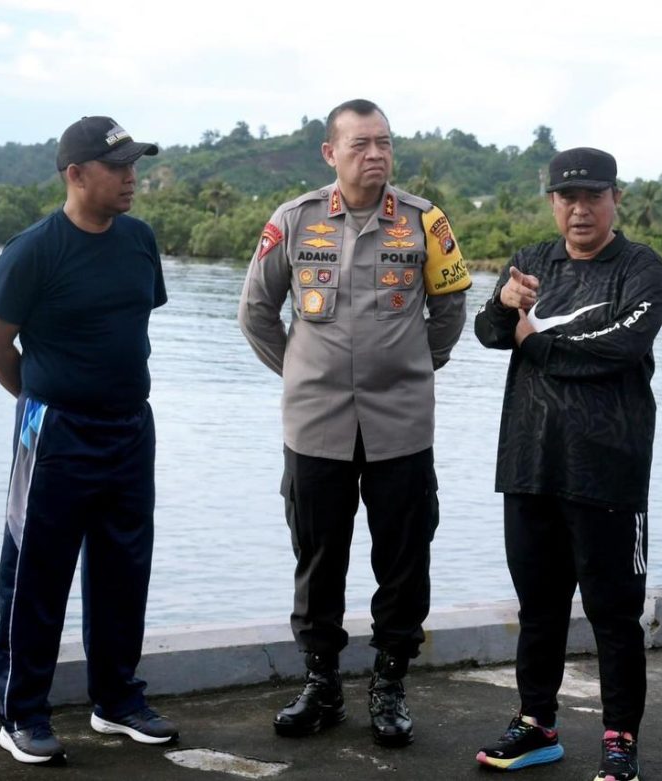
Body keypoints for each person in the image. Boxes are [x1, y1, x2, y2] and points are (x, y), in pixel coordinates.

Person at [237, 98, 470, 747]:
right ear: (330, 153)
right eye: (362, 143)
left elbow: (450, 303)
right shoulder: (295, 220)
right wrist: (301, 374)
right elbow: (257, 311)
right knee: (317, 554)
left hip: (402, 422)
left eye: (385, 143)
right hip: (315, 425)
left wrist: (421, 363)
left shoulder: (425, 220)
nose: (376, 154)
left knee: (404, 556)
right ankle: (321, 682)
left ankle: (390, 683)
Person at [472, 147, 662, 781]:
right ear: (552, 202)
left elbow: (621, 346)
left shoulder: (639, 267)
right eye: (567, 197)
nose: (579, 208)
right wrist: (505, 304)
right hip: (530, 464)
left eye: (592, 196)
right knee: (539, 605)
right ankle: (536, 725)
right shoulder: (532, 261)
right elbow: (488, 333)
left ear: (616, 199)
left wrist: (538, 342)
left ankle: (619, 741)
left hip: (607, 469)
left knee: (614, 613)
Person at [0, 116, 178, 765]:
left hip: (130, 427)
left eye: (135, 164)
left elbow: (126, 329)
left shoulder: (139, 240)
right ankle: (21, 714)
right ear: (75, 174)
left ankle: (116, 699)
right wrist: (42, 399)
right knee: (37, 570)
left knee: (125, 568)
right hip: (55, 430)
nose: (132, 178)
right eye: (118, 167)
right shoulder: (33, 249)